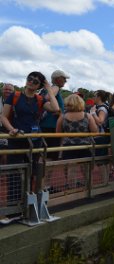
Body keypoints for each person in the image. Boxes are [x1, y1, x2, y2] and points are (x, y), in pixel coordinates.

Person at [0, 72, 59, 219]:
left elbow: (55, 108)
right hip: (17, 139)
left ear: (39, 85)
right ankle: (13, 209)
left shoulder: (39, 99)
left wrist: (49, 89)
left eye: (36, 81)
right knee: (14, 173)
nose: (32, 82)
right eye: (30, 79)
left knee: (32, 174)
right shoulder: (14, 96)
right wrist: (11, 129)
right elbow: (3, 116)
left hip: (34, 141)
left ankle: (28, 206)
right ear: (26, 80)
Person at [56, 94, 97, 188]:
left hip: (69, 146)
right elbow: (95, 131)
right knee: (86, 170)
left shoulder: (63, 117)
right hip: (85, 146)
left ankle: (72, 191)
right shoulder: (88, 116)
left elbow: (58, 133)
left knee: (71, 170)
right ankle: (89, 189)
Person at [40, 70, 68, 160]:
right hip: (51, 127)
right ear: (58, 79)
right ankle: (45, 174)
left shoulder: (48, 89)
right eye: (64, 79)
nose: (65, 81)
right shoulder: (55, 87)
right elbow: (47, 98)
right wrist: (59, 110)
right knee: (50, 156)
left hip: (47, 126)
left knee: (45, 154)